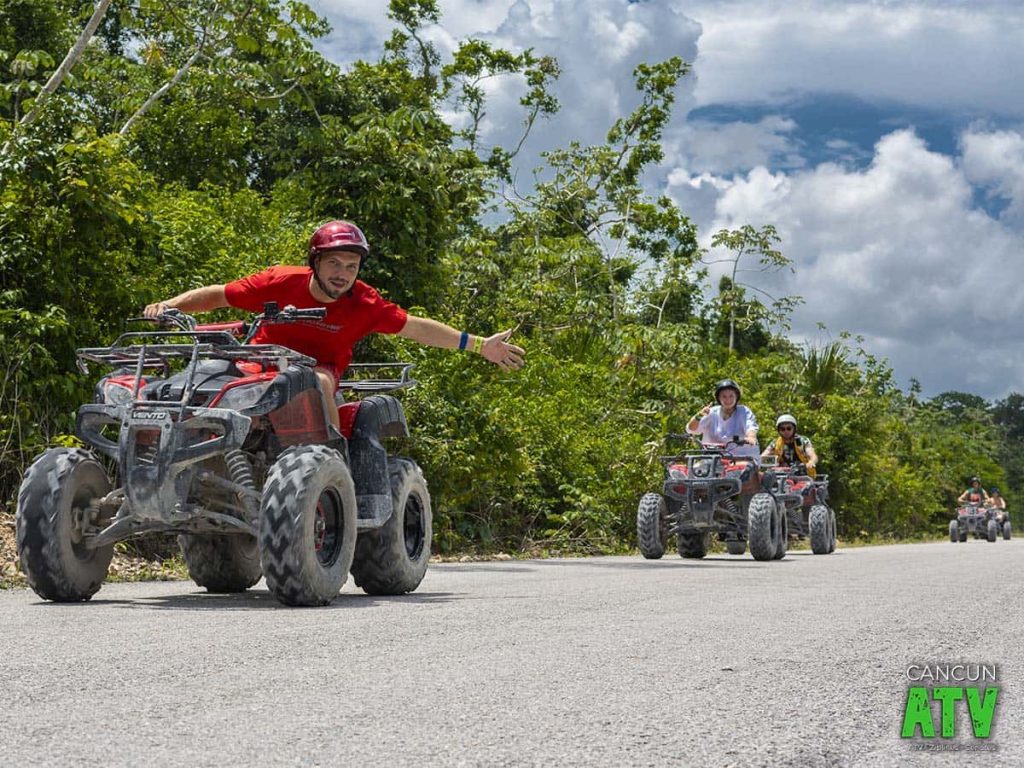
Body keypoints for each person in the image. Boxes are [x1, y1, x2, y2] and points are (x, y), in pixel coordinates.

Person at [144, 219, 524, 432]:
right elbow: (218, 295)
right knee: (203, 376)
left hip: (318, 369)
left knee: (317, 383)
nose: (343, 274)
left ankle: (327, 459)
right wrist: (169, 305)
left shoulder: (365, 302)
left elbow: (415, 327)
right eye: (334, 264)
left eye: (351, 266)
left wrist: (478, 345)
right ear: (315, 261)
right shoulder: (280, 281)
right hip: (257, 363)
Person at [685, 379, 760, 460]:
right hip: (712, 459)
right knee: (692, 470)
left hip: (740, 458)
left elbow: (751, 427)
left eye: (731, 396)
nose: (728, 400)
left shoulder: (744, 411)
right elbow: (691, 429)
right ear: (718, 398)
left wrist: (751, 437)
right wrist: (699, 415)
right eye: (724, 396)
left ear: (736, 397)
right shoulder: (711, 412)